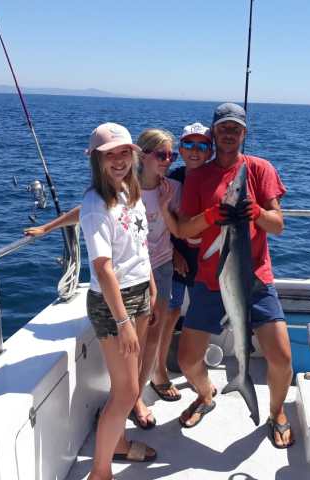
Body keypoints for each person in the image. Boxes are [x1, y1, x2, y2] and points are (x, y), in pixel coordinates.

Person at [31, 122, 158, 480]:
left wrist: (49, 226)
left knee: (128, 385)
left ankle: (118, 445)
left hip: (138, 293)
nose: (118, 160)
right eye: (109, 155)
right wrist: (122, 323)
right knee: (127, 391)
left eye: (123, 153)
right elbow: (102, 269)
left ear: (132, 156)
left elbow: (134, 240)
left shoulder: (126, 190)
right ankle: (100, 472)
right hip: (113, 304)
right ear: (96, 161)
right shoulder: (96, 202)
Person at [176, 103, 295, 448]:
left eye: (236, 128)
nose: (229, 133)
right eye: (223, 127)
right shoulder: (198, 176)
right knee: (186, 359)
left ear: (244, 133)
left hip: (255, 278)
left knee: (283, 359)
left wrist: (256, 212)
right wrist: (214, 214)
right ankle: (205, 394)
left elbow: (279, 225)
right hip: (210, 280)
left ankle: (276, 412)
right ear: (214, 132)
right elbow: (184, 229)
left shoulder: (260, 169)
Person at [150, 122, 214, 402]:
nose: (195, 151)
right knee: (170, 313)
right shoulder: (172, 180)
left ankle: (196, 369)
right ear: (181, 150)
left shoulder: (217, 178)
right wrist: (175, 252)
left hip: (208, 262)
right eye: (189, 145)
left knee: (203, 317)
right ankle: (159, 370)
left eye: (202, 145)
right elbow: (164, 221)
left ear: (210, 151)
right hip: (175, 259)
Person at [128, 128, 181, 427]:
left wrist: (163, 206)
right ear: (142, 155)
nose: (167, 160)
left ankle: (138, 391)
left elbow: (177, 229)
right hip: (134, 272)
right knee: (136, 337)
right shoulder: (125, 188)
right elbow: (88, 211)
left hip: (162, 267)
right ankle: (130, 393)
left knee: (155, 333)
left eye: (171, 155)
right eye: (161, 154)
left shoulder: (173, 188)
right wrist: (47, 228)